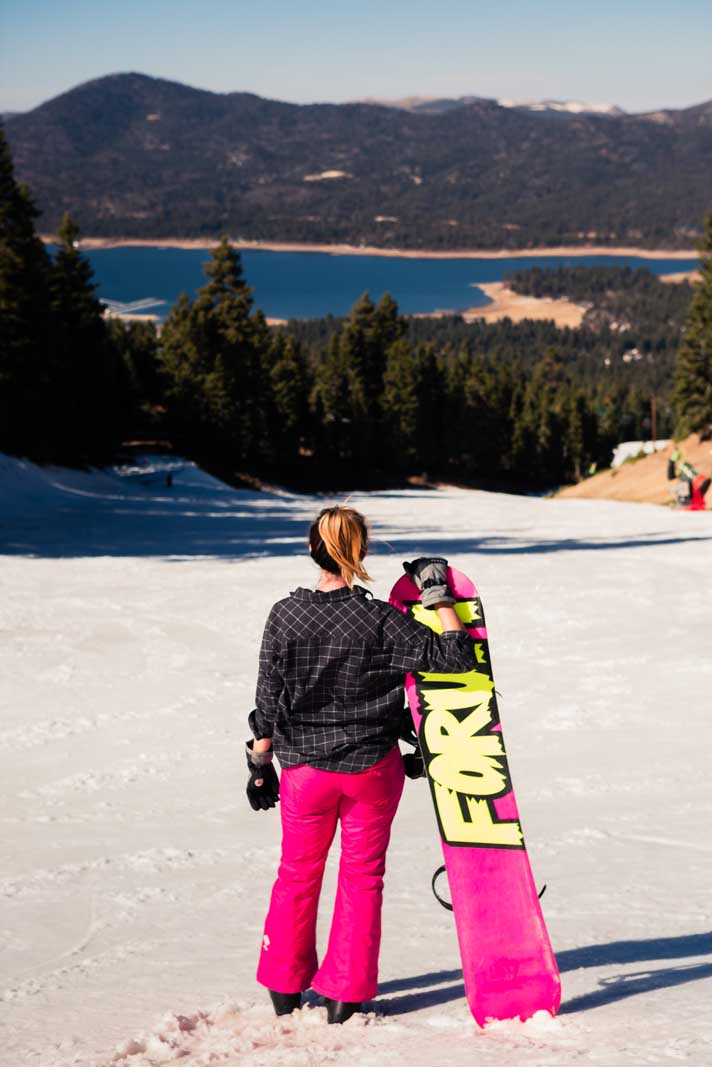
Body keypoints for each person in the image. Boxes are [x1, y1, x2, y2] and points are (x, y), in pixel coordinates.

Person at [245, 505, 477, 1023]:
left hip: (304, 770)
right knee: (362, 876)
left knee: (297, 874)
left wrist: (260, 766)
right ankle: (345, 996)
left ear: (311, 549)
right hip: (372, 769)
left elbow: (267, 697)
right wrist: (436, 594)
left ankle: (284, 987)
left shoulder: (285, 614)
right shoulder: (381, 619)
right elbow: (456, 656)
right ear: (362, 552)